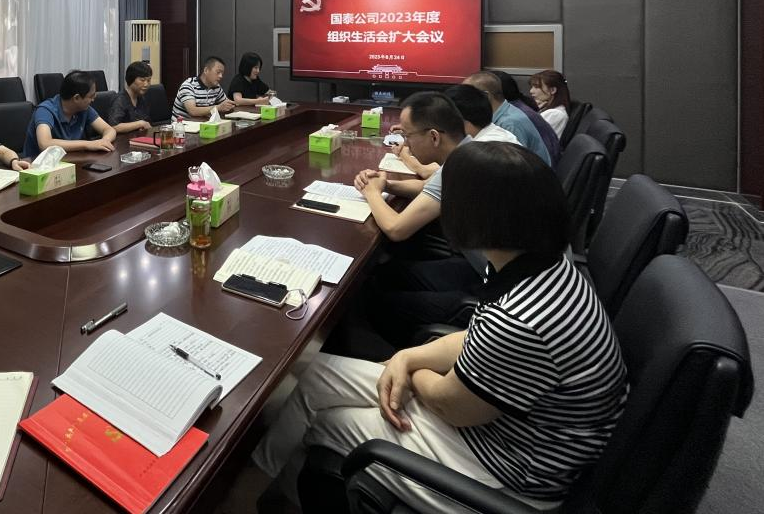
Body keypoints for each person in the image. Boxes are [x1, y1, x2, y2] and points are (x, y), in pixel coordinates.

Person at [255, 143, 627, 513]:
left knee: (323, 422)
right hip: (499, 423)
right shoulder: (542, 264)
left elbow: (451, 405)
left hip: (506, 470)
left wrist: (409, 370)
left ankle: (286, 500)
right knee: (309, 377)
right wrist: (407, 357)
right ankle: (251, 491)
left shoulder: (521, 320)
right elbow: (476, 338)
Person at [352, 92, 469, 247]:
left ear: (434, 137)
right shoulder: (466, 152)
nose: (406, 144)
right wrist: (385, 184)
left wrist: (371, 192)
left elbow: (396, 229)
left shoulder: (460, 167)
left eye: (408, 136)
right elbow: (426, 185)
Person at [22, 70, 117, 159]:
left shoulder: (84, 109)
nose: (94, 98)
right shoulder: (45, 110)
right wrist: (88, 144)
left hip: (70, 161)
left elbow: (109, 129)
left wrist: (104, 141)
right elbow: (45, 143)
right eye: (91, 96)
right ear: (76, 98)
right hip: (39, 165)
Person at [463, 72, 551, 165]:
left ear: (485, 96)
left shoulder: (510, 123)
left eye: (467, 95)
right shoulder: (507, 112)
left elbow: (513, 165)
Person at [489, 69, 561, 164]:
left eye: (537, 87)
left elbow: (513, 163)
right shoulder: (518, 108)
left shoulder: (511, 121)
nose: (531, 91)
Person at [172, 56, 237, 120]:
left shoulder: (216, 87)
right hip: (182, 125)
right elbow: (193, 111)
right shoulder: (189, 85)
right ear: (206, 70)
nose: (221, 76)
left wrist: (230, 105)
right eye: (218, 72)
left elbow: (225, 104)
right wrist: (218, 107)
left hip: (203, 123)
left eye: (222, 73)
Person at [106, 61, 154, 134]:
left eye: (149, 80)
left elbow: (147, 121)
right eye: (142, 80)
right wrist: (140, 124)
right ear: (131, 79)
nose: (146, 84)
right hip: (122, 139)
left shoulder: (141, 98)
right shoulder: (120, 99)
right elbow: (114, 126)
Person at [528, 69, 571, 137]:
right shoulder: (547, 108)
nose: (531, 91)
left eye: (536, 87)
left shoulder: (555, 114)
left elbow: (528, 135)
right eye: (532, 87)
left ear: (552, 90)